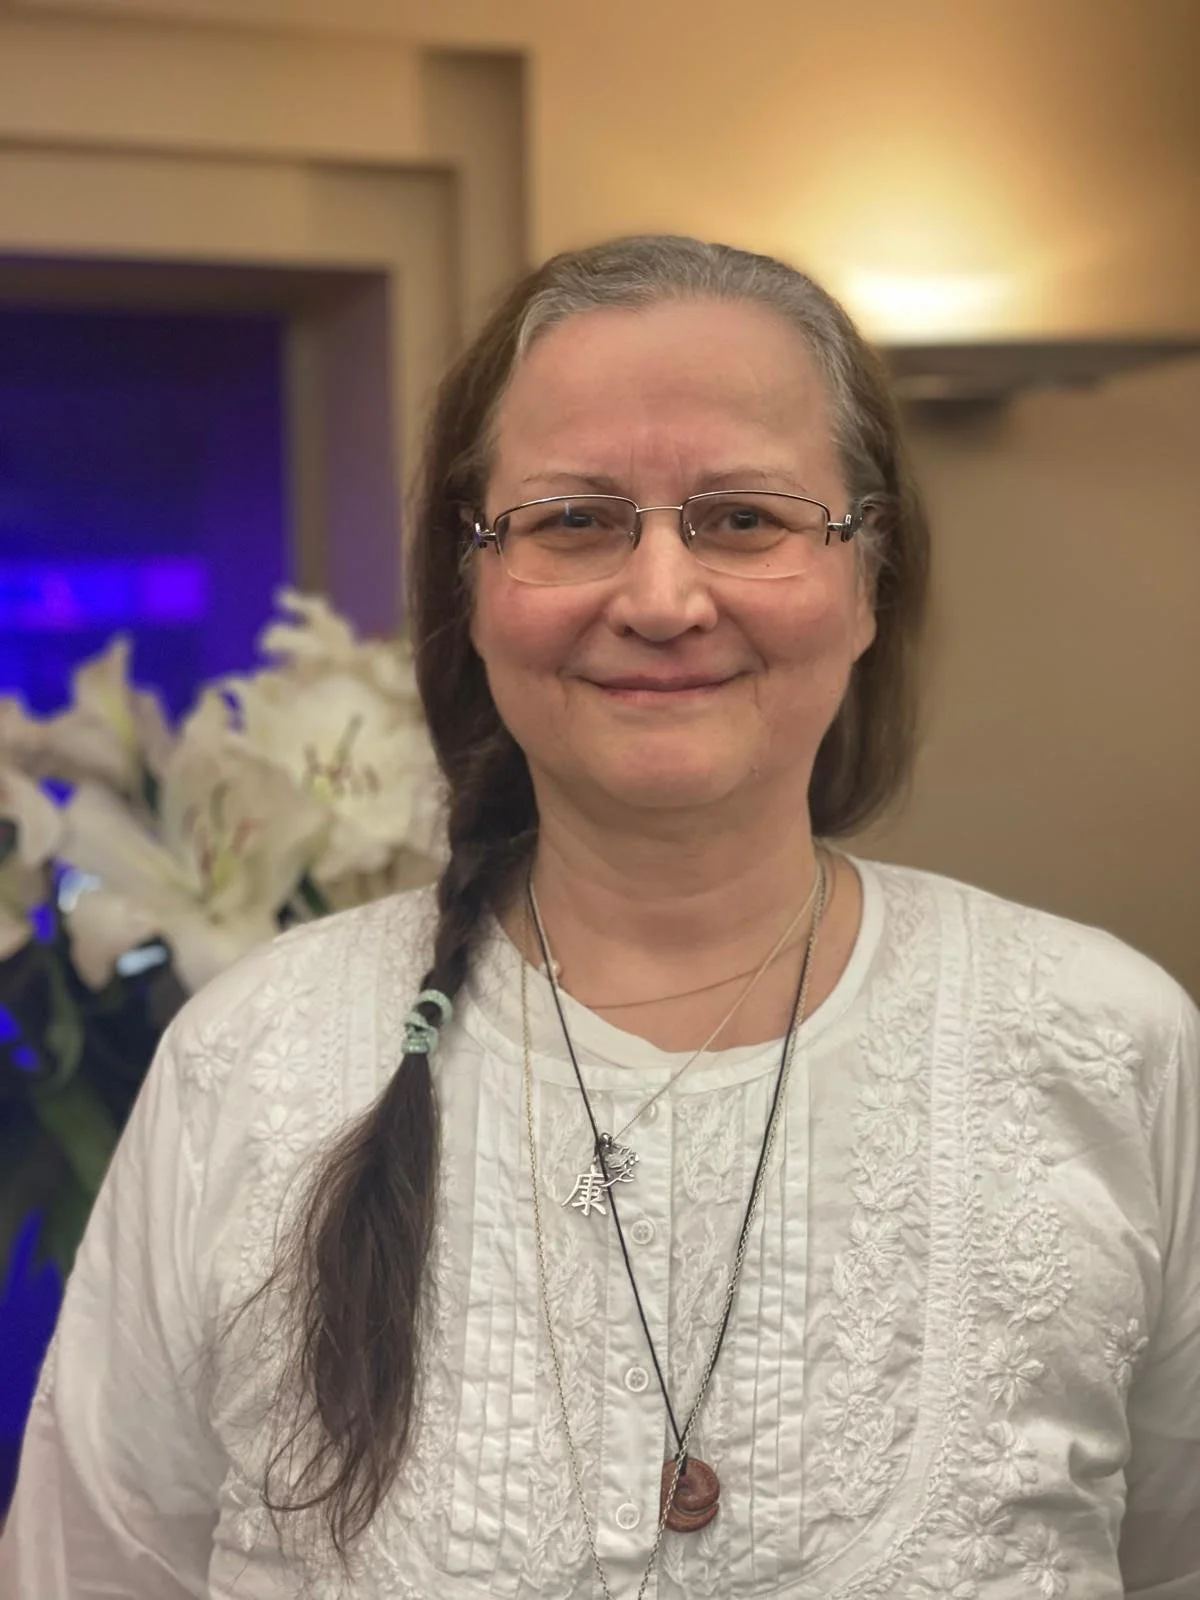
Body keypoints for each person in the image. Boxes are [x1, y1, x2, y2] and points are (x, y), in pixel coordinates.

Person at [2, 235, 1197, 1600]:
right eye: (574, 520)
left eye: (744, 518)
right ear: (474, 589)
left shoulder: (1112, 1045)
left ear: (875, 580)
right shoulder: (252, 1061)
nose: (661, 598)